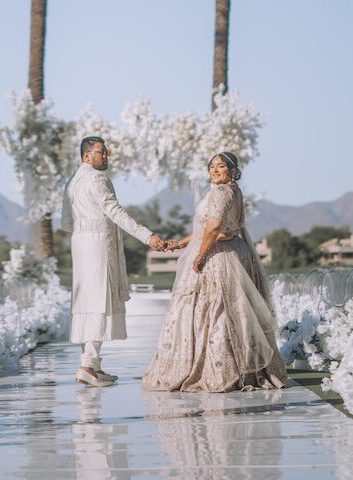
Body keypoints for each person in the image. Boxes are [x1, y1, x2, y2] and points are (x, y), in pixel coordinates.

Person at [141, 151, 288, 392]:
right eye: (211, 167)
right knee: (234, 311)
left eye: (221, 166)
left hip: (220, 256)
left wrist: (200, 255)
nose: (215, 170)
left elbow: (214, 226)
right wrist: (180, 244)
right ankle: (244, 370)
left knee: (216, 311)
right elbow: (205, 230)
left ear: (233, 170)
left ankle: (219, 371)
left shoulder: (221, 192)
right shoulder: (234, 191)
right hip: (235, 251)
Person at [62, 136, 168, 387]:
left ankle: (92, 365)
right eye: (102, 151)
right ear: (87, 155)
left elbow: (66, 223)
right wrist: (147, 236)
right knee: (99, 302)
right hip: (99, 245)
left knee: (88, 302)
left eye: (107, 151)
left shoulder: (72, 182)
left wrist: (85, 229)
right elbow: (115, 212)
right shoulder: (97, 179)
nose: (107, 155)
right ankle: (88, 366)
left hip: (80, 244)